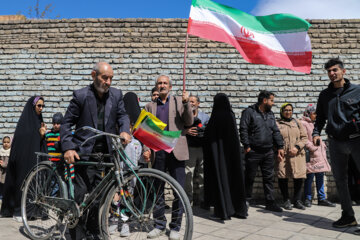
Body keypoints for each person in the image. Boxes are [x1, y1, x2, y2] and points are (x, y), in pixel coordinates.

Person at [60, 62, 131, 240]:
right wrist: (68, 147)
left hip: (107, 154)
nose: (108, 82)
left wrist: (124, 130)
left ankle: (94, 230)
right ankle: (75, 232)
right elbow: (66, 123)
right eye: (104, 77)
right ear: (93, 75)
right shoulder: (81, 95)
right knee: (81, 194)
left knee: (100, 196)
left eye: (111, 78)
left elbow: (122, 115)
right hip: (84, 153)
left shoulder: (116, 94)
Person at [142, 75, 193, 240]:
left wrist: (187, 103)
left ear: (170, 87)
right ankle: (159, 225)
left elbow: (189, 121)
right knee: (157, 190)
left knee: (179, 189)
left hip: (176, 152)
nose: (162, 85)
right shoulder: (150, 106)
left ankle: (176, 227)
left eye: (165, 83)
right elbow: (145, 131)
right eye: (159, 83)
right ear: (156, 87)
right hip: (158, 152)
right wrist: (146, 149)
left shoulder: (179, 101)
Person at [313, 58, 360, 228]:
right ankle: (348, 216)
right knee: (340, 180)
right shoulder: (325, 95)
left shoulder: (357, 90)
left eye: (334, 70)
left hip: (356, 141)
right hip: (335, 143)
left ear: (343, 71)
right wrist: (316, 133)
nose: (332, 74)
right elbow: (319, 118)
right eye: (329, 71)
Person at [0, 96, 46, 222]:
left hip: (34, 161)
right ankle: (19, 211)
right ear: (32, 106)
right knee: (22, 184)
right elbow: (20, 144)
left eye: (43, 106)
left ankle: (32, 211)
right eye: (39, 106)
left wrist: (42, 135)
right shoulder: (24, 124)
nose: (41, 108)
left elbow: (40, 144)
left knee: (34, 184)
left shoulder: (39, 122)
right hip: (22, 162)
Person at [203, 93, 247, 220]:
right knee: (234, 181)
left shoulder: (216, 116)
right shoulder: (230, 115)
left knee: (221, 181)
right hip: (232, 155)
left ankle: (222, 211)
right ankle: (238, 209)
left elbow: (209, 136)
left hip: (218, 156)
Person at [239, 90, 284, 212]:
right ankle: (245, 200)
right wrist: (246, 145)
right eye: (271, 100)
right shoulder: (249, 112)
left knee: (269, 177)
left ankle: (270, 202)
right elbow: (243, 128)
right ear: (264, 100)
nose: (273, 103)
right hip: (253, 151)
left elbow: (275, 131)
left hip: (268, 152)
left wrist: (280, 146)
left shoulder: (270, 114)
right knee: (249, 177)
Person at [300, 104, 335, 208]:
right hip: (310, 154)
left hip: (319, 155)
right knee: (309, 177)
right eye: (314, 113)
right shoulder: (303, 123)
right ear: (308, 113)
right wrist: (313, 148)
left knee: (320, 176)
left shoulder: (316, 123)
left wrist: (322, 146)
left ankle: (321, 198)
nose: (316, 115)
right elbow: (304, 138)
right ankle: (308, 198)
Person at [276, 103, 308, 210]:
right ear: (282, 111)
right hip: (283, 154)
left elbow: (304, 138)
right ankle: (286, 200)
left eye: (290, 110)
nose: (288, 112)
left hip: (297, 154)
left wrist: (297, 147)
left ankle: (297, 200)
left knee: (298, 177)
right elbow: (274, 138)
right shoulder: (277, 123)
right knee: (283, 176)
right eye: (286, 110)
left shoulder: (297, 123)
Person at [184, 95, 209, 207]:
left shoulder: (205, 117)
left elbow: (209, 130)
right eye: (189, 102)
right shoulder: (184, 116)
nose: (191, 104)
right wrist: (186, 131)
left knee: (203, 175)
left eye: (193, 102)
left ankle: (204, 201)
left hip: (203, 149)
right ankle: (189, 201)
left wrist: (203, 129)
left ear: (198, 103)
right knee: (188, 176)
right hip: (189, 149)